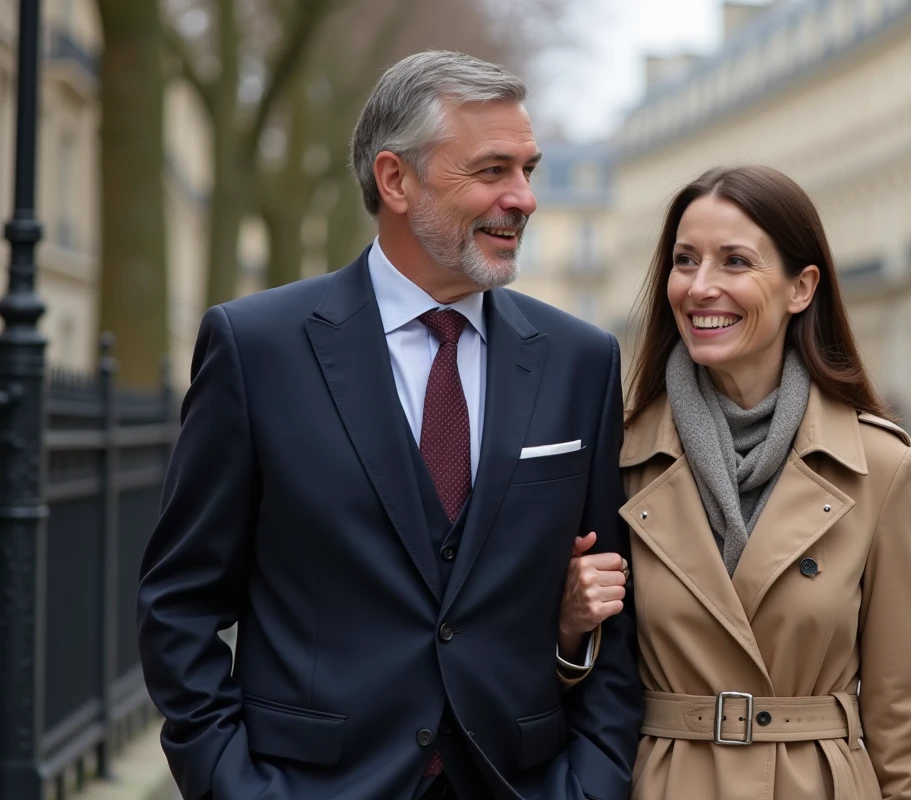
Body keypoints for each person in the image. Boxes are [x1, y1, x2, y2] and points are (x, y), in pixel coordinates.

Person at [136, 51, 641, 800]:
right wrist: (232, 785)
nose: (525, 199)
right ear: (396, 179)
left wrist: (588, 785)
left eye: (528, 170)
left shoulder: (582, 360)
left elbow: (616, 613)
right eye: (493, 170)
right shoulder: (258, 348)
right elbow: (180, 603)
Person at [561, 165, 911, 799]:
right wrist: (568, 626)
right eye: (685, 261)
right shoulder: (616, 458)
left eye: (735, 262)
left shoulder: (879, 467)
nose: (700, 287)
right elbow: (554, 690)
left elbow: (905, 719)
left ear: (802, 287)